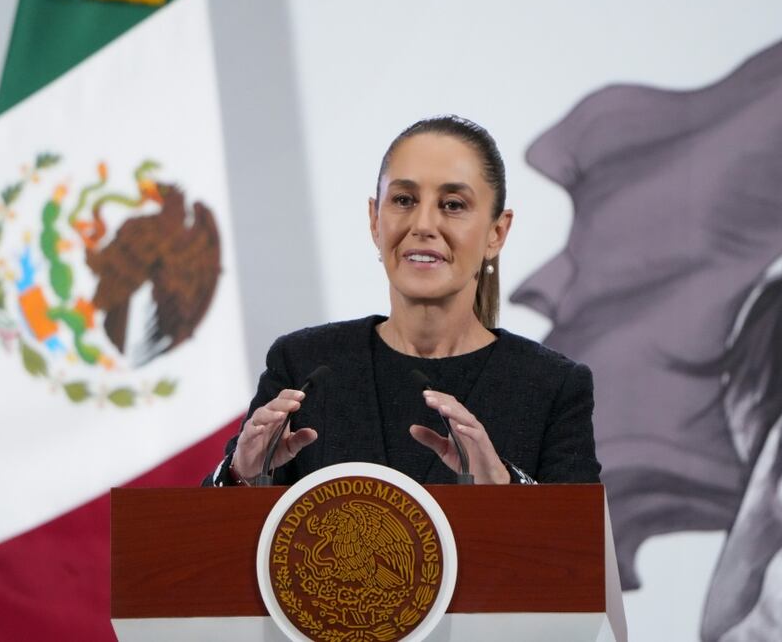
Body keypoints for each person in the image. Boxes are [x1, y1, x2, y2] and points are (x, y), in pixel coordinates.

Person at [204, 115, 601, 487]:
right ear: (375, 220)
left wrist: (504, 486)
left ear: (497, 232)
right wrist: (241, 474)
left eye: (453, 205)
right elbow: (213, 537)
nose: (424, 225)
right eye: (405, 200)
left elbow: (583, 552)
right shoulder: (302, 364)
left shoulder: (553, 387)